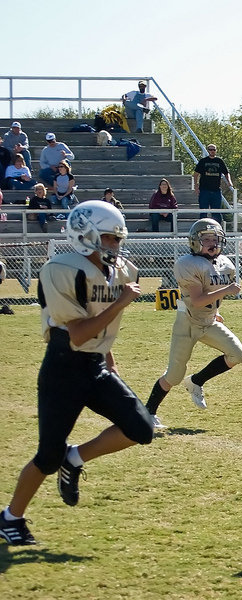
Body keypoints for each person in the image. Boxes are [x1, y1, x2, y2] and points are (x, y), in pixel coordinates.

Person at [0, 201, 153, 546]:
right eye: (110, 239)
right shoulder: (62, 269)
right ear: (86, 236)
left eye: (118, 239)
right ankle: (10, 518)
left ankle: (76, 457)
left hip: (95, 364)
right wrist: (120, 303)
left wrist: (109, 358)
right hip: (63, 368)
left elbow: (100, 321)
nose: (116, 245)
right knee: (47, 456)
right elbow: (78, 333)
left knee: (140, 429)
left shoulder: (121, 270)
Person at [143, 219, 242, 429]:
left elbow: (211, 297)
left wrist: (216, 312)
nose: (212, 243)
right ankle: (148, 413)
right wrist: (226, 291)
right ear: (195, 242)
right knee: (174, 374)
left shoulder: (225, 264)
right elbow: (198, 300)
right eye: (206, 239)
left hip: (208, 321)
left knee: (238, 355)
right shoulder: (187, 264)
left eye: (215, 239)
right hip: (187, 323)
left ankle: (196, 381)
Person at [193, 144, 232, 222]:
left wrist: (229, 182)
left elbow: (226, 173)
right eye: (210, 149)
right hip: (204, 190)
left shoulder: (219, 161)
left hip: (216, 190)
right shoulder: (203, 161)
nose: (212, 151)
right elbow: (196, 174)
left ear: (216, 151)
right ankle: (203, 229)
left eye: (214, 150)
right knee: (203, 211)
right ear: (208, 150)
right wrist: (196, 186)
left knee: (216, 212)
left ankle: (218, 230)